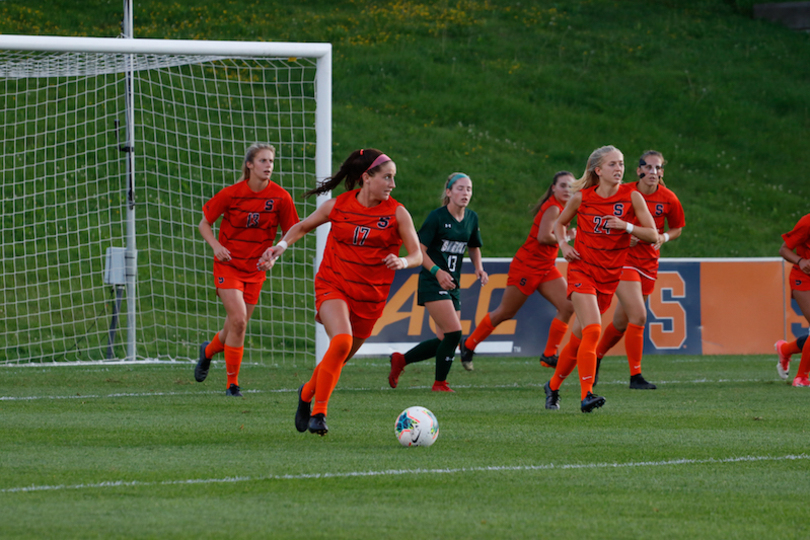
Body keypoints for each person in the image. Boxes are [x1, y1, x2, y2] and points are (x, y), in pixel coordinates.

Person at [261, 149, 422, 435]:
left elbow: (417, 255)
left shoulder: (397, 213)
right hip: (333, 285)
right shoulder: (338, 206)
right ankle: (319, 414)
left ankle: (307, 392)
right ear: (367, 178)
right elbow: (302, 226)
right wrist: (279, 248)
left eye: (393, 178)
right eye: (387, 177)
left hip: (370, 299)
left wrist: (403, 261)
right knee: (342, 341)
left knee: (339, 356)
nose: (392, 184)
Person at [542, 145, 660, 413]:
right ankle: (587, 395)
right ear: (598, 170)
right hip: (582, 271)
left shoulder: (632, 197)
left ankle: (553, 385)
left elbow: (653, 235)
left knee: (577, 339)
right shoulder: (582, 198)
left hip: (609, 277)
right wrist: (564, 245)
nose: (619, 169)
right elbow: (560, 224)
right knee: (593, 329)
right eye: (612, 164)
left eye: (621, 164)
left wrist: (627, 226)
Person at [195, 143, 300, 396]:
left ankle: (207, 351)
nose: (269, 166)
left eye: (271, 161)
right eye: (263, 161)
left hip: (256, 269)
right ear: (249, 165)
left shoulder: (281, 197)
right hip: (228, 264)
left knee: (235, 327)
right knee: (239, 320)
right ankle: (233, 385)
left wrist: (275, 254)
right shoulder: (231, 194)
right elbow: (204, 223)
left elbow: (293, 231)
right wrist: (216, 246)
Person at [459, 171, 576, 371]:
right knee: (506, 312)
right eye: (563, 185)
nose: (567, 190)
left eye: (571, 186)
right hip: (527, 267)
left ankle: (549, 354)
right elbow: (543, 237)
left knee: (567, 306)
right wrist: (567, 237)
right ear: (553, 188)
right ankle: (469, 344)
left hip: (545, 267)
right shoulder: (554, 208)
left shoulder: (564, 208)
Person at [593, 150, 685, 390]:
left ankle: (596, 356)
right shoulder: (624, 193)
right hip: (623, 261)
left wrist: (663, 237)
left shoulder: (669, 198)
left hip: (648, 263)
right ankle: (635, 377)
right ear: (639, 170)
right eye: (648, 167)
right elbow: (606, 221)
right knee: (640, 316)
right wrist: (626, 234)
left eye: (658, 168)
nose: (653, 172)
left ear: (662, 172)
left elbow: (677, 228)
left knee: (622, 322)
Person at [388, 173, 488, 393]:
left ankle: (401, 360)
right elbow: (418, 251)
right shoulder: (436, 217)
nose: (465, 193)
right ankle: (439, 384)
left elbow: (473, 246)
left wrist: (479, 268)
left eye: (469, 189)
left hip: (453, 284)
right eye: (460, 188)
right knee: (454, 333)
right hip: (433, 281)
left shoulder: (471, 218)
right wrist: (437, 272)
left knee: (444, 338)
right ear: (449, 192)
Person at [775, 213, 810, 387]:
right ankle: (801, 377)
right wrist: (800, 260)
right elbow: (783, 249)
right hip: (804, 278)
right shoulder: (807, 222)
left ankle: (785, 349)